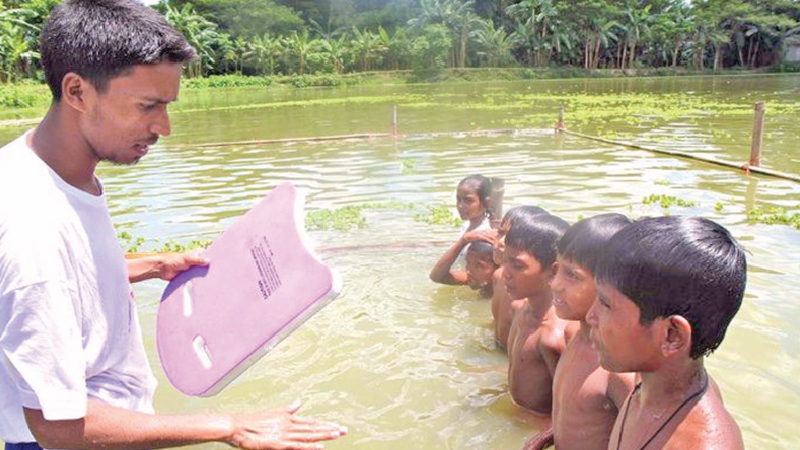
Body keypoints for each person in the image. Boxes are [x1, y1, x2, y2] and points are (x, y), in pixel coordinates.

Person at [0, 1, 346, 450]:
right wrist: (229, 426)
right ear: (78, 92)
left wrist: (149, 265)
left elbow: (67, 277)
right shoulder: (33, 230)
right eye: (148, 106)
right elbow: (58, 427)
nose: (164, 127)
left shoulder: (39, 166)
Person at [586, 216, 746, 450]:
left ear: (672, 336)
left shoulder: (702, 444)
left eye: (605, 303)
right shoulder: (649, 382)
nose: (590, 316)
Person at [523, 214, 635, 450]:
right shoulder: (572, 333)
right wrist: (549, 435)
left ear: (611, 286)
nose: (555, 284)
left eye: (572, 275)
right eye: (558, 269)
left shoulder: (619, 371)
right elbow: (576, 411)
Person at [505, 213, 573, 414]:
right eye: (505, 260)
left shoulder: (553, 337)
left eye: (517, 266)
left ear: (553, 271)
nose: (505, 272)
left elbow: (565, 411)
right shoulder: (519, 309)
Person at [490, 205, 548, 351]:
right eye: (500, 233)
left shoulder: (526, 293)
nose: (501, 242)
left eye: (509, 236)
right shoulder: (498, 276)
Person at [429, 230, 497, 298]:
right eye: (468, 262)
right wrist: (462, 241)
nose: (468, 271)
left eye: (479, 266)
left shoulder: (504, 286)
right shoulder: (476, 279)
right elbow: (437, 277)